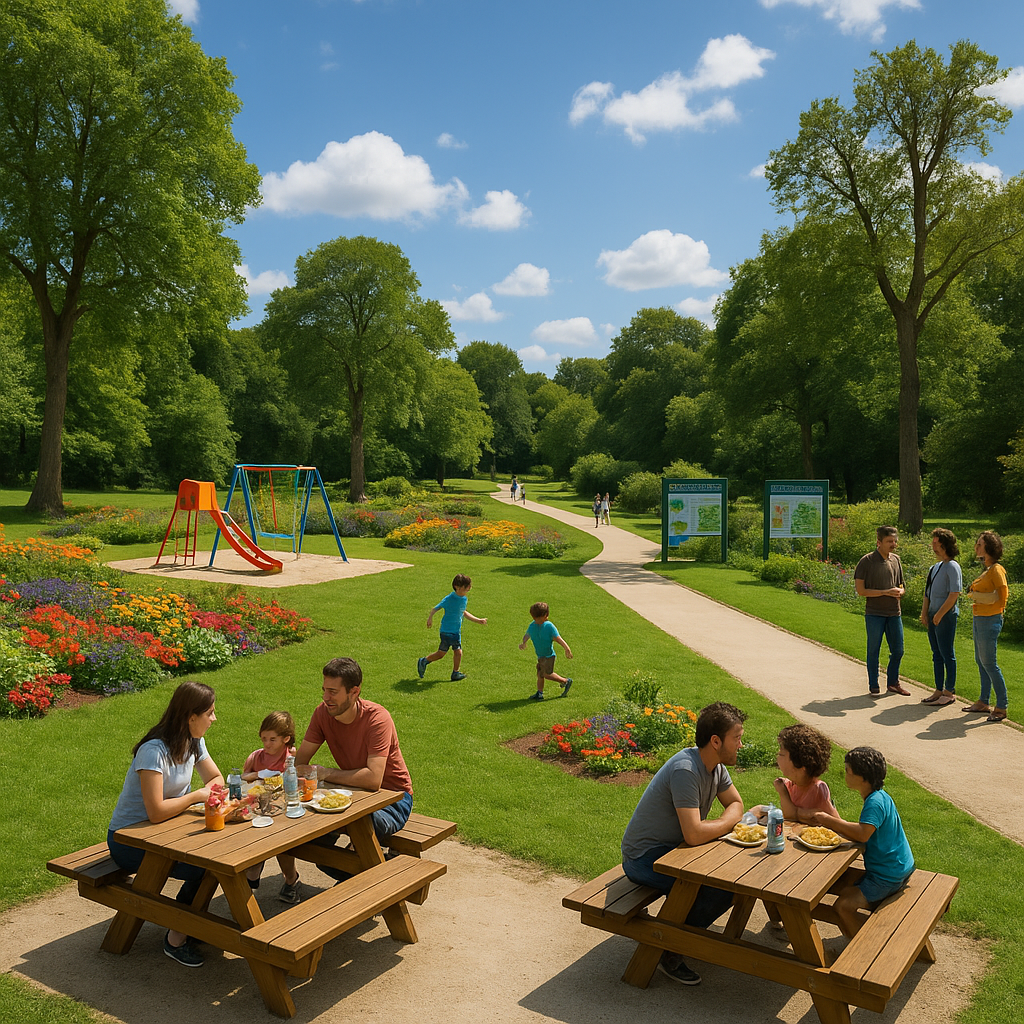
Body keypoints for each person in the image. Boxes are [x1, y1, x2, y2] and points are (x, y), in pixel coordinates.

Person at [621, 701, 747, 986]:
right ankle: (667, 947)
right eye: (737, 738)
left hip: (676, 851)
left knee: (729, 881)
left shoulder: (715, 768)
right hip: (645, 858)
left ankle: (678, 933)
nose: (741, 744)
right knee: (717, 890)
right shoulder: (686, 770)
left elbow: (737, 804)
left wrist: (724, 821)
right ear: (716, 741)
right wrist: (731, 822)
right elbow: (694, 834)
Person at [107, 681, 225, 968]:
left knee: (217, 862)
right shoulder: (153, 751)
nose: (214, 719)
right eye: (209, 713)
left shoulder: (194, 742)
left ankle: (188, 924)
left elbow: (217, 779)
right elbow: (156, 811)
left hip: (167, 831)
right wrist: (197, 796)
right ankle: (176, 938)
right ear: (190, 717)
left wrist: (207, 793)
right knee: (204, 867)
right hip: (129, 839)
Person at [295, 657, 414, 880]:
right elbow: (299, 763)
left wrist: (327, 773)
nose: (325, 698)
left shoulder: (378, 719)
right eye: (324, 690)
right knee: (314, 846)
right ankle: (377, 874)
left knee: (355, 833)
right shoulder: (322, 713)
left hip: (394, 800)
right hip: (352, 796)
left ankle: (388, 877)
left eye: (333, 692)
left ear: (354, 691)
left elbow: (373, 779)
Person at [812, 747, 914, 938]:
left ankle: (861, 950)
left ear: (863, 778)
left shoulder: (874, 803)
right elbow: (864, 829)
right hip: (899, 866)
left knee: (843, 906)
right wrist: (837, 824)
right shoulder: (881, 796)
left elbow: (862, 834)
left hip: (887, 876)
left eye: (848, 771)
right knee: (833, 884)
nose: (845, 774)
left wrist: (828, 820)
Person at [241, 711, 302, 904]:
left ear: (286, 739)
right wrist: (260, 773)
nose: (267, 744)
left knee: (282, 844)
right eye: (264, 738)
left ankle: (291, 879)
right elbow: (242, 777)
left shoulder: (291, 756)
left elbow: (299, 780)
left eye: (272, 740)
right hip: (259, 809)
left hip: (283, 810)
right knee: (251, 836)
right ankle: (253, 868)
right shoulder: (256, 757)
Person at [854, 525, 909, 696]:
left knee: (898, 650)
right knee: (873, 649)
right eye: (889, 541)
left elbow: (901, 586)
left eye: (894, 541)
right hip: (874, 613)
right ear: (879, 542)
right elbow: (861, 591)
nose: (893, 544)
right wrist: (885, 592)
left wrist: (900, 591)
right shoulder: (867, 562)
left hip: (894, 613)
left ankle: (893, 682)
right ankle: (873, 684)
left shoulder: (896, 560)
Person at [963, 531, 1009, 722]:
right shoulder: (988, 569)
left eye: (980, 544)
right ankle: (983, 701)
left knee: (989, 662)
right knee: (981, 661)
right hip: (979, 618)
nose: (976, 547)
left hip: (990, 620)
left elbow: (1001, 596)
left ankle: (1001, 706)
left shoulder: (997, 569)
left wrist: (975, 595)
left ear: (989, 548)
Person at [920, 528, 962, 707]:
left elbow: (954, 594)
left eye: (936, 544)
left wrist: (939, 614)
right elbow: (927, 593)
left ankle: (949, 691)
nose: (933, 547)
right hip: (933, 616)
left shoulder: (953, 566)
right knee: (936, 654)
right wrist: (925, 613)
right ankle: (938, 689)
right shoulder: (934, 567)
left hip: (945, 617)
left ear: (945, 545)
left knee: (947, 654)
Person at [418, 573, 487, 682]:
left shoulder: (464, 599)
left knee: (458, 652)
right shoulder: (449, 599)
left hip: (456, 631)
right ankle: (424, 661)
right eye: (467, 586)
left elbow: (463, 612)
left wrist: (478, 620)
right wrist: (430, 618)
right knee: (441, 654)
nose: (469, 588)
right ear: (457, 587)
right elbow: (435, 608)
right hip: (446, 631)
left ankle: (455, 673)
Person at [770, 724, 838, 822]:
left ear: (800, 766)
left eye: (781, 754)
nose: (777, 756)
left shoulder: (817, 789)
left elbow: (790, 815)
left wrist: (783, 792)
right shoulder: (792, 784)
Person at [519, 601, 572, 700]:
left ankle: (565, 681)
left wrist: (566, 648)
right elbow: (527, 635)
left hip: (549, 656)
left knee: (546, 674)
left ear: (545, 615)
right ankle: (539, 694)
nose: (537, 621)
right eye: (535, 619)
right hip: (540, 656)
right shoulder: (533, 625)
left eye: (539, 619)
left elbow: (558, 638)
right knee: (540, 675)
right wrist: (524, 642)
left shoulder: (549, 626)